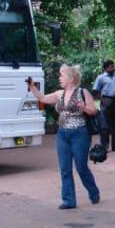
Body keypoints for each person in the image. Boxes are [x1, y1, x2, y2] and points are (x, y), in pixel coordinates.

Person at [28, 65, 101, 209]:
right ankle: (69, 200)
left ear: (71, 78)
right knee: (65, 169)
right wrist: (32, 87)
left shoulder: (82, 92)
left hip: (79, 134)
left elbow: (93, 111)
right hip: (63, 135)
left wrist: (84, 108)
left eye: (62, 75)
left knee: (81, 168)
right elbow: (42, 98)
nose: (59, 78)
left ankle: (94, 192)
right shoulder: (58, 94)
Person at [92, 59, 115, 153]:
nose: (113, 68)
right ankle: (104, 147)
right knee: (104, 126)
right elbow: (95, 90)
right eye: (111, 67)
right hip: (106, 101)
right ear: (106, 68)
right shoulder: (100, 78)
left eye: (113, 66)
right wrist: (102, 99)